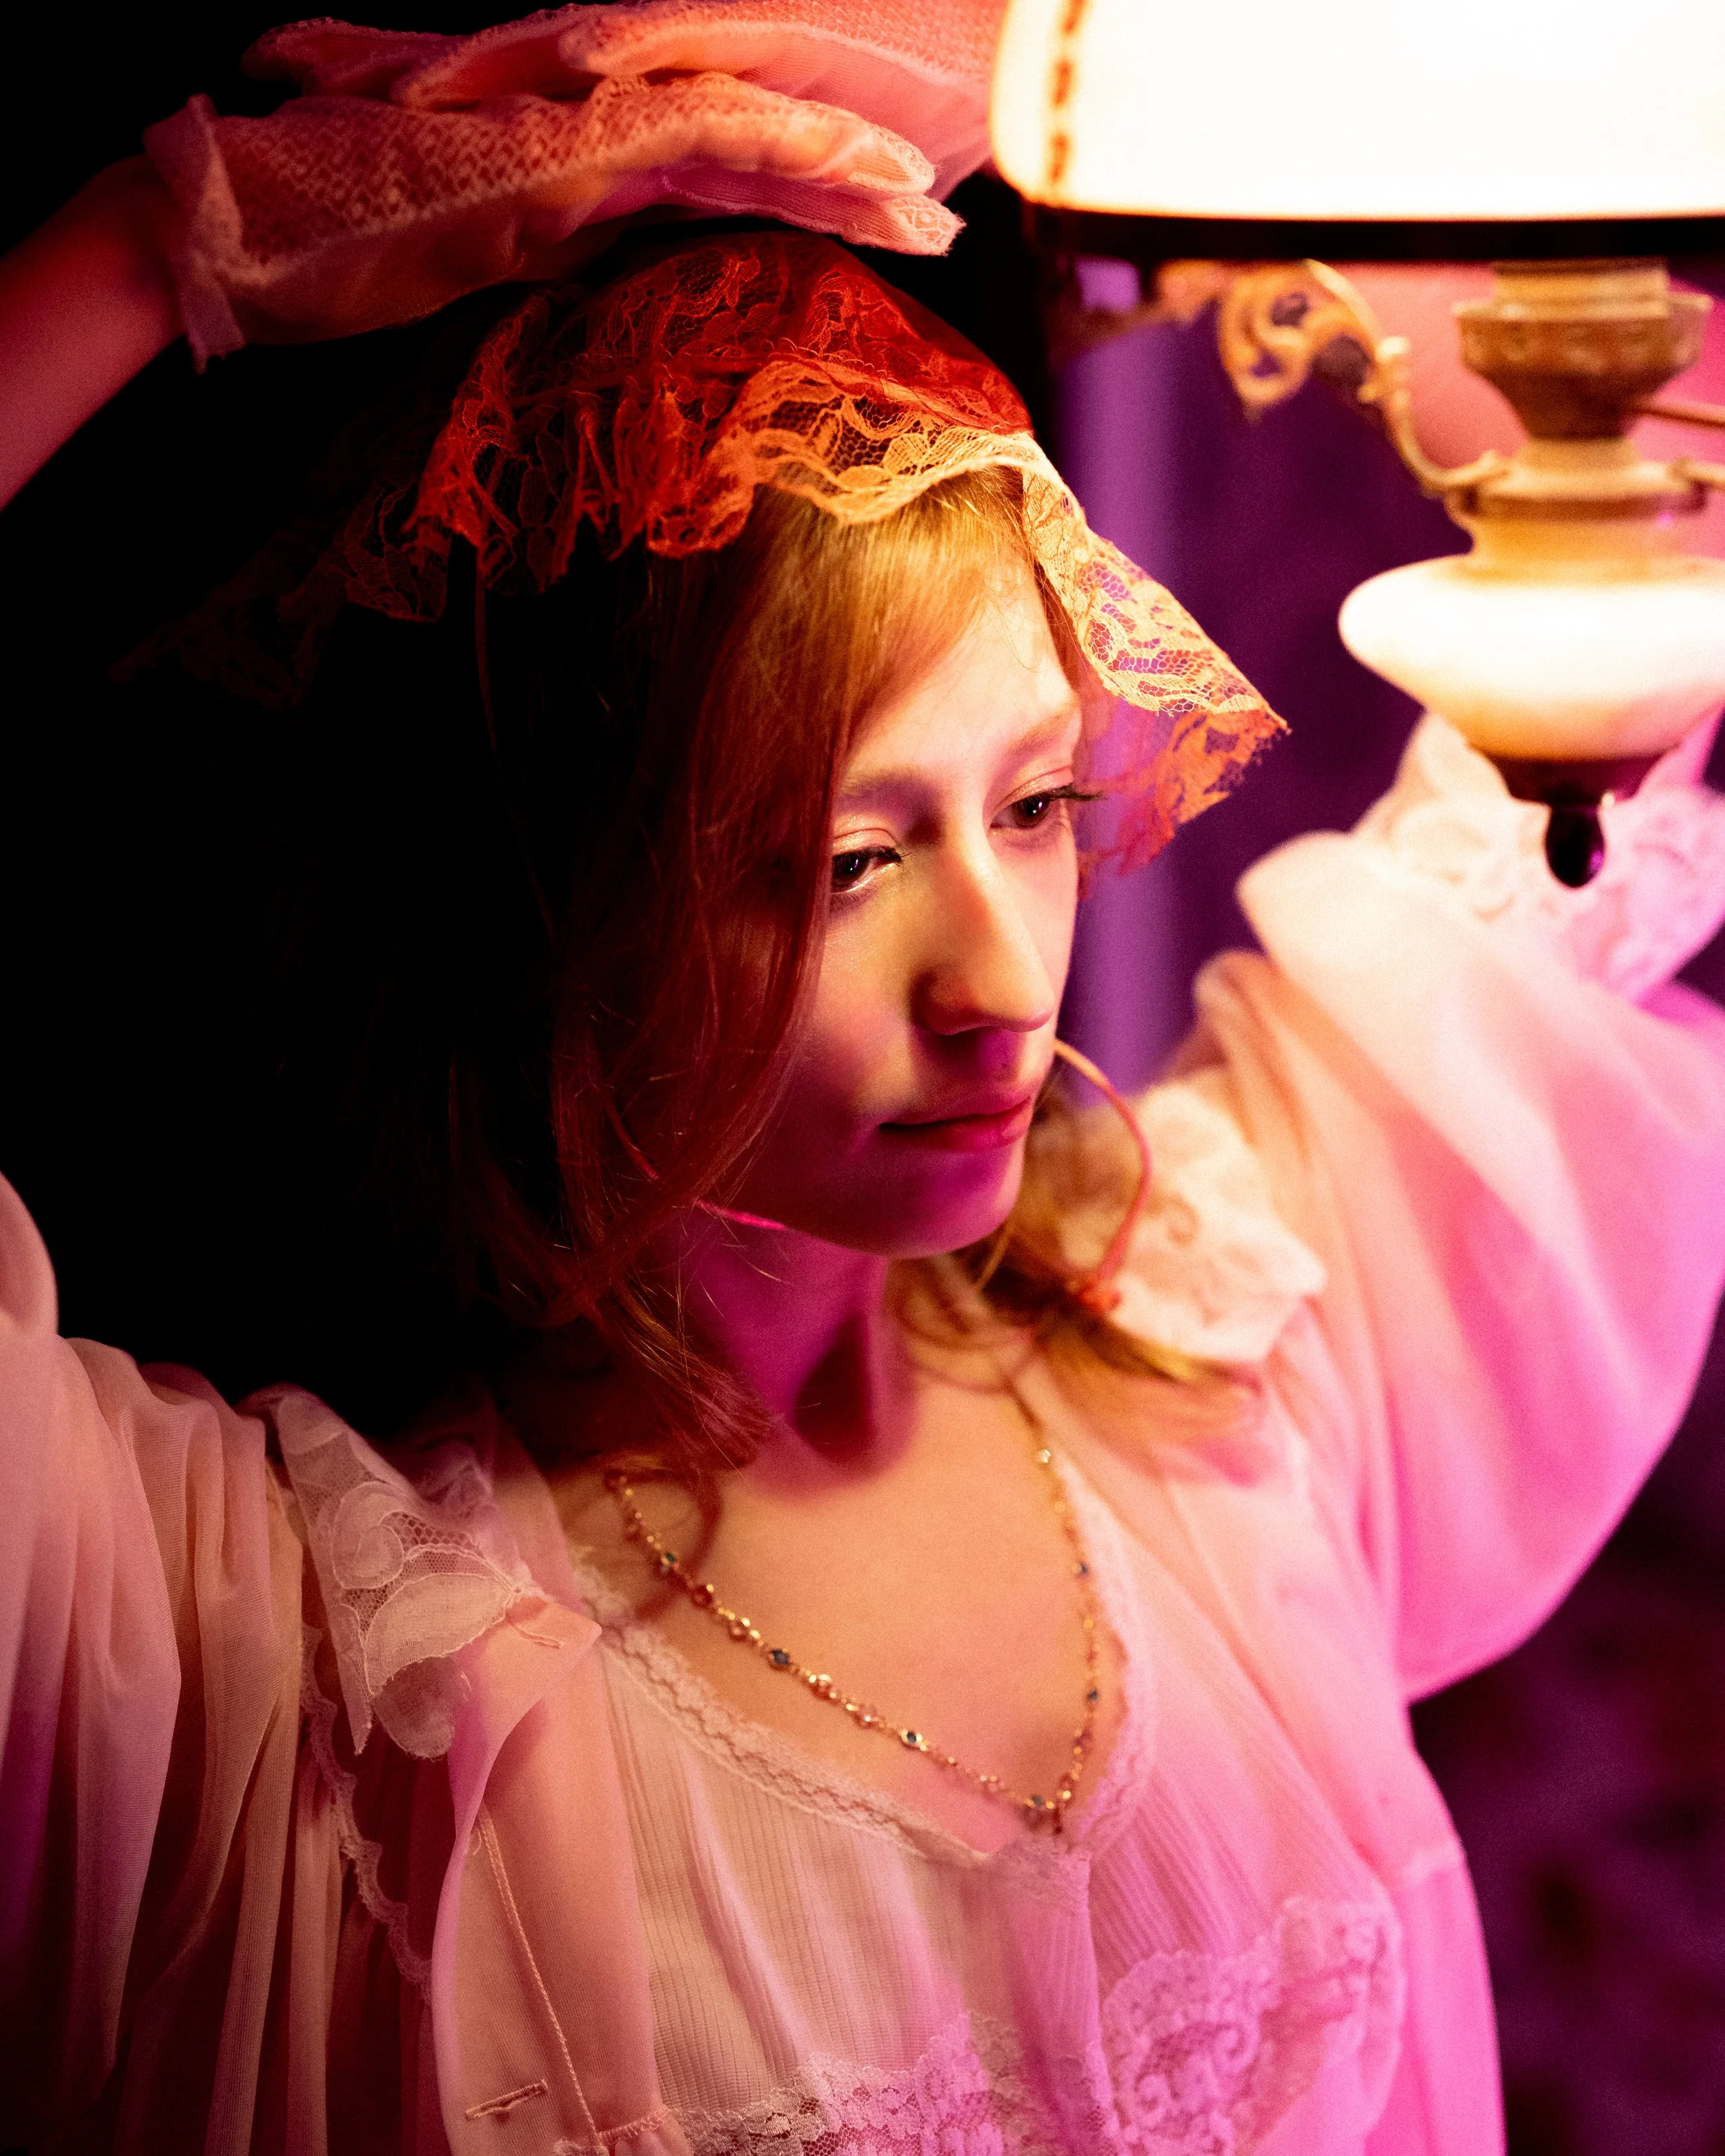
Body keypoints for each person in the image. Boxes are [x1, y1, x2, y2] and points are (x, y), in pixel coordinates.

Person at [6, 9, 1725, 2155]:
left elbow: (1653, 528)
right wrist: (177, 243)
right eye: (844, 858)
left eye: (1028, 803)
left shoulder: (1235, 1348)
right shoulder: (276, 1669)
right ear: (551, 892)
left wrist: (1167, 106)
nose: (1002, 977)